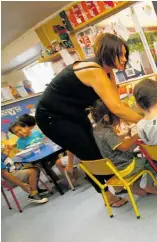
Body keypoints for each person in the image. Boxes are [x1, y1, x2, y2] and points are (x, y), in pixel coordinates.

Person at [35, 33, 142, 208]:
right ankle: (107, 196)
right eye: (119, 54)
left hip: (73, 113)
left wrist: (129, 123)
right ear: (107, 53)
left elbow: (116, 103)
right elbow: (116, 108)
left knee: (98, 147)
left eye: (125, 54)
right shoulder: (93, 70)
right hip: (52, 117)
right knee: (88, 152)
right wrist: (145, 120)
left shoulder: (108, 73)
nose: (124, 59)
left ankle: (115, 183)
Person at [91, 99, 157, 196]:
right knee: (151, 160)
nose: (119, 119)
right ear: (106, 117)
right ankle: (149, 185)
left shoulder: (97, 130)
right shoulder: (107, 132)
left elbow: (110, 142)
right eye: (117, 116)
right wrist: (136, 136)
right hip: (125, 166)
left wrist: (124, 136)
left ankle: (135, 187)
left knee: (139, 157)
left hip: (115, 167)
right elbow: (123, 147)